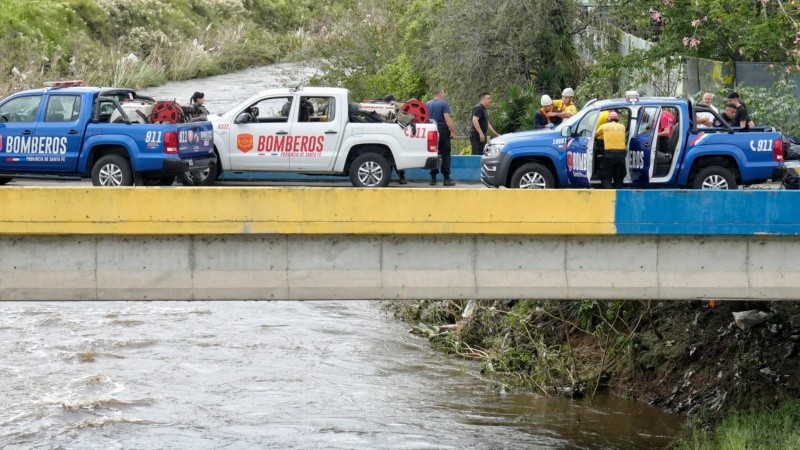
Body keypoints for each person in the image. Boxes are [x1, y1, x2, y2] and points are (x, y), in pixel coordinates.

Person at [426, 87, 457, 186]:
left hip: (430, 129)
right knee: (445, 154)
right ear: (439, 93)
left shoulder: (427, 104)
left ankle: (433, 179)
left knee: (433, 154)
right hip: (442, 129)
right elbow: (447, 119)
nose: (444, 94)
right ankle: (446, 179)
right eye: (443, 92)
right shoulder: (444, 103)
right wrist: (453, 131)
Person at [594, 111, 627, 189]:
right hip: (621, 155)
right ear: (618, 119)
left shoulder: (603, 126)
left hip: (610, 154)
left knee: (605, 175)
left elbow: (594, 136)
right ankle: (618, 195)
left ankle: (609, 193)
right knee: (619, 177)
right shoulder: (622, 126)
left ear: (608, 119)